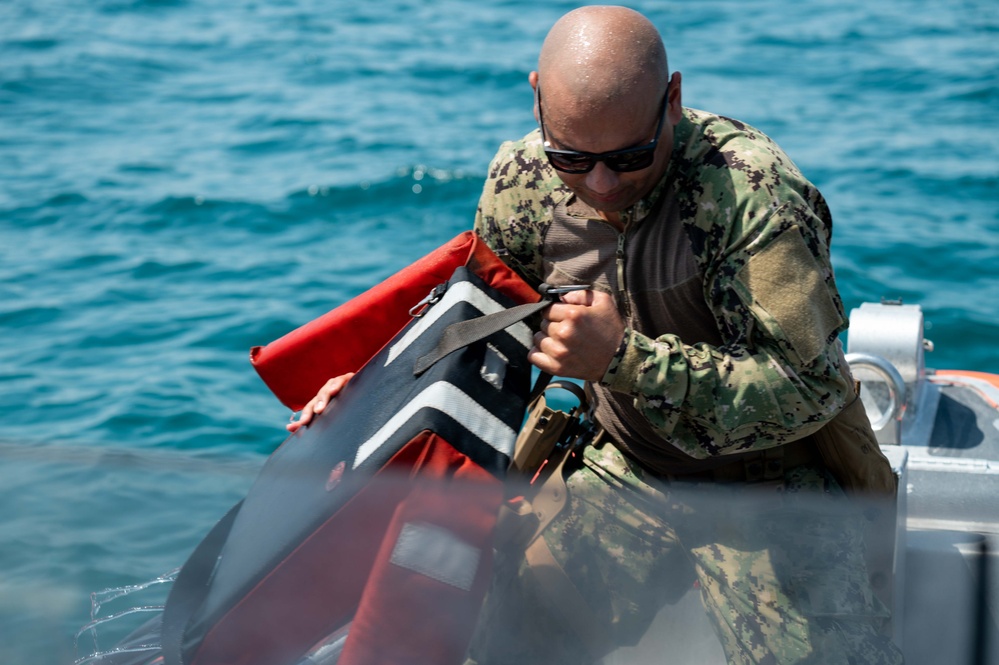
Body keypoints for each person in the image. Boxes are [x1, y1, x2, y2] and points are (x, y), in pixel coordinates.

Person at [291, 6, 904, 664]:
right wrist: (373, 395)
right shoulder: (521, 183)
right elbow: (482, 332)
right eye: (572, 158)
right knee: (492, 637)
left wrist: (624, 360)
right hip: (625, 465)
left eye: (630, 157)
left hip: (766, 482)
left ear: (672, 100)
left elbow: (805, 391)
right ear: (536, 101)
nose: (602, 184)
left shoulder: (752, 197)